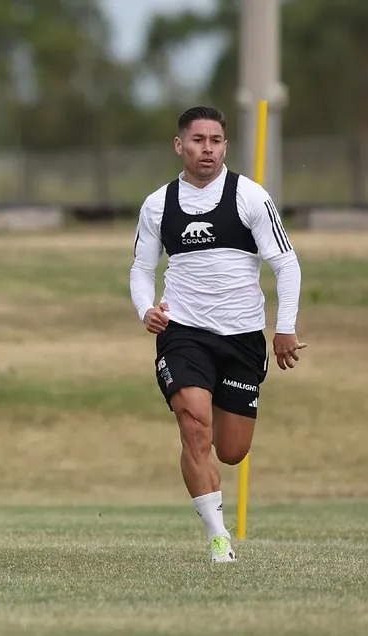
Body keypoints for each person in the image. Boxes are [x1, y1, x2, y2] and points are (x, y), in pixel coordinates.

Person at [129, 106, 305, 564]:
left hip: (242, 336)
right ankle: (217, 538)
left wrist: (285, 327)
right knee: (193, 425)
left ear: (225, 146)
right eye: (198, 140)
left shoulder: (250, 196)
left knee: (231, 450)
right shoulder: (158, 204)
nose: (206, 149)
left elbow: (285, 264)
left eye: (215, 141)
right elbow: (142, 268)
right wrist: (146, 309)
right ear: (179, 145)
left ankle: (217, 512)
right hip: (183, 332)